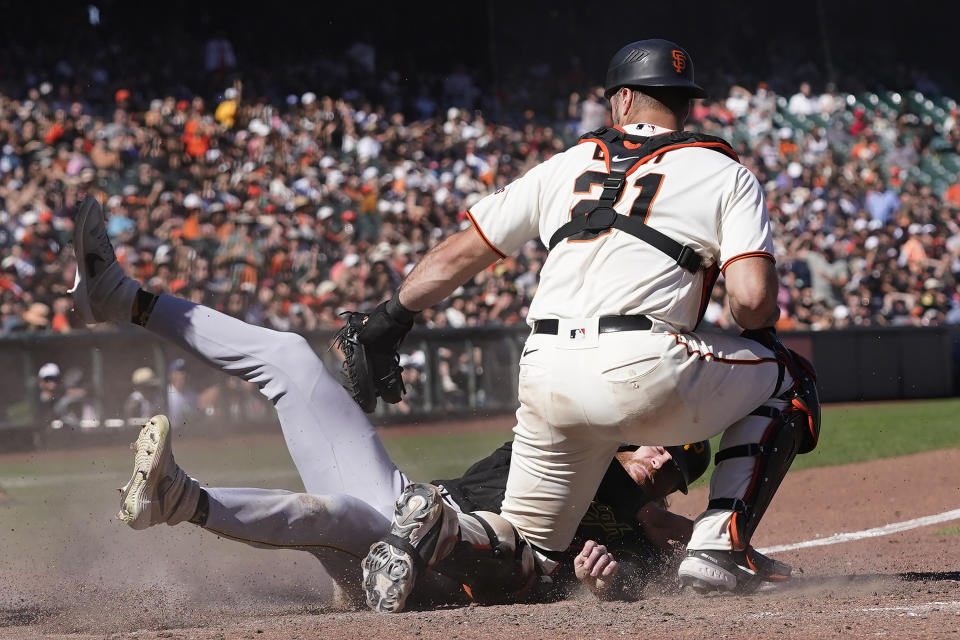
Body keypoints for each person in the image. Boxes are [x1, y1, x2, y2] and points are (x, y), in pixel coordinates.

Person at [64, 196, 764, 605]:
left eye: (668, 459)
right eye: (655, 442)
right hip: (407, 506)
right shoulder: (578, 444)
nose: (651, 453)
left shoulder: (644, 538)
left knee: (335, 515)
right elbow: (652, 508)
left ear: (671, 468)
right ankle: (121, 298)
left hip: (429, 573)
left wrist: (610, 583)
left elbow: (662, 555)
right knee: (287, 358)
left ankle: (180, 500)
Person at [352, 38, 820, 611]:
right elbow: (751, 303)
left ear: (622, 100)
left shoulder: (563, 165)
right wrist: (752, 323)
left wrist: (387, 321)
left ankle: (451, 529)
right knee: (790, 375)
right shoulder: (725, 172)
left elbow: (456, 257)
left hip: (546, 372)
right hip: (644, 362)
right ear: (684, 106)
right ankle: (719, 544)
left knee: (530, 558)